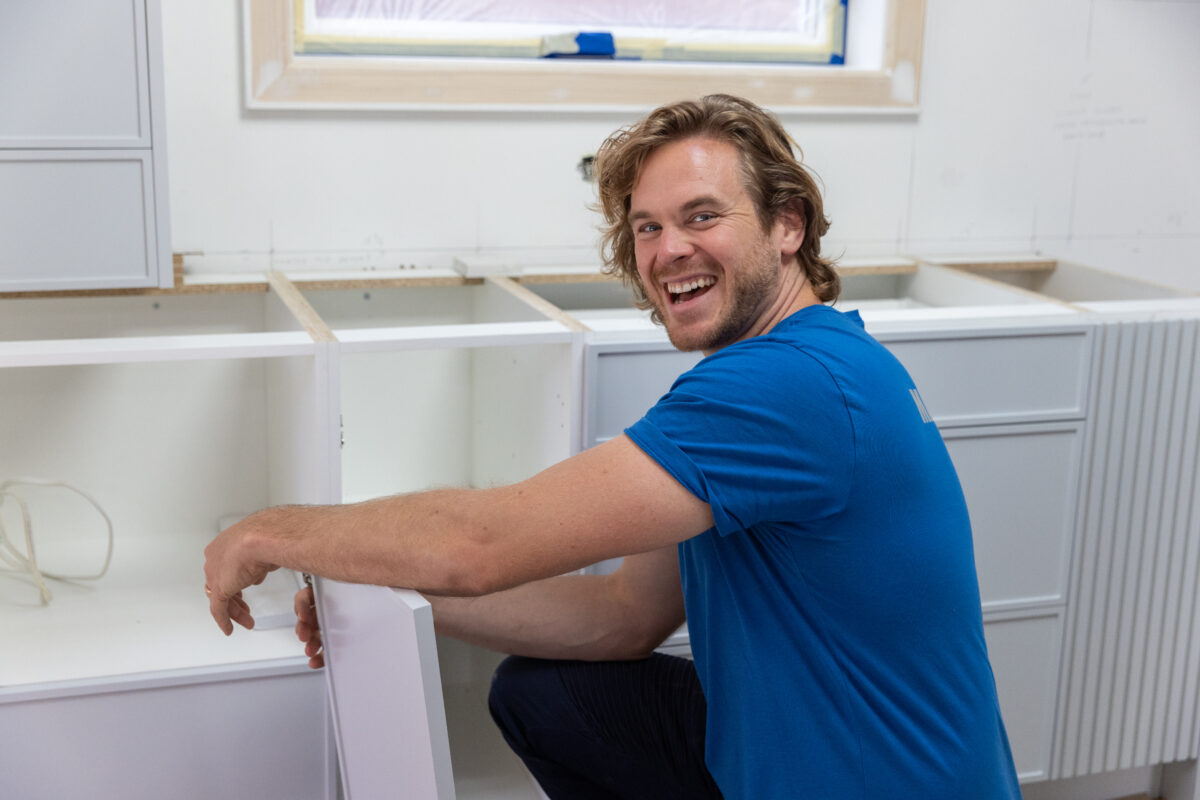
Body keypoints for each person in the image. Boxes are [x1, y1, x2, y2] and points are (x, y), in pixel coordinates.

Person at [205, 94, 1021, 799]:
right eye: (648, 228)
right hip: (814, 761)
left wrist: (269, 530)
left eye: (703, 215)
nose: (669, 250)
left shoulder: (786, 388)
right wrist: (391, 595)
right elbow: (622, 618)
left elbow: (477, 543)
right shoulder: (814, 364)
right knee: (547, 694)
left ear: (786, 226)